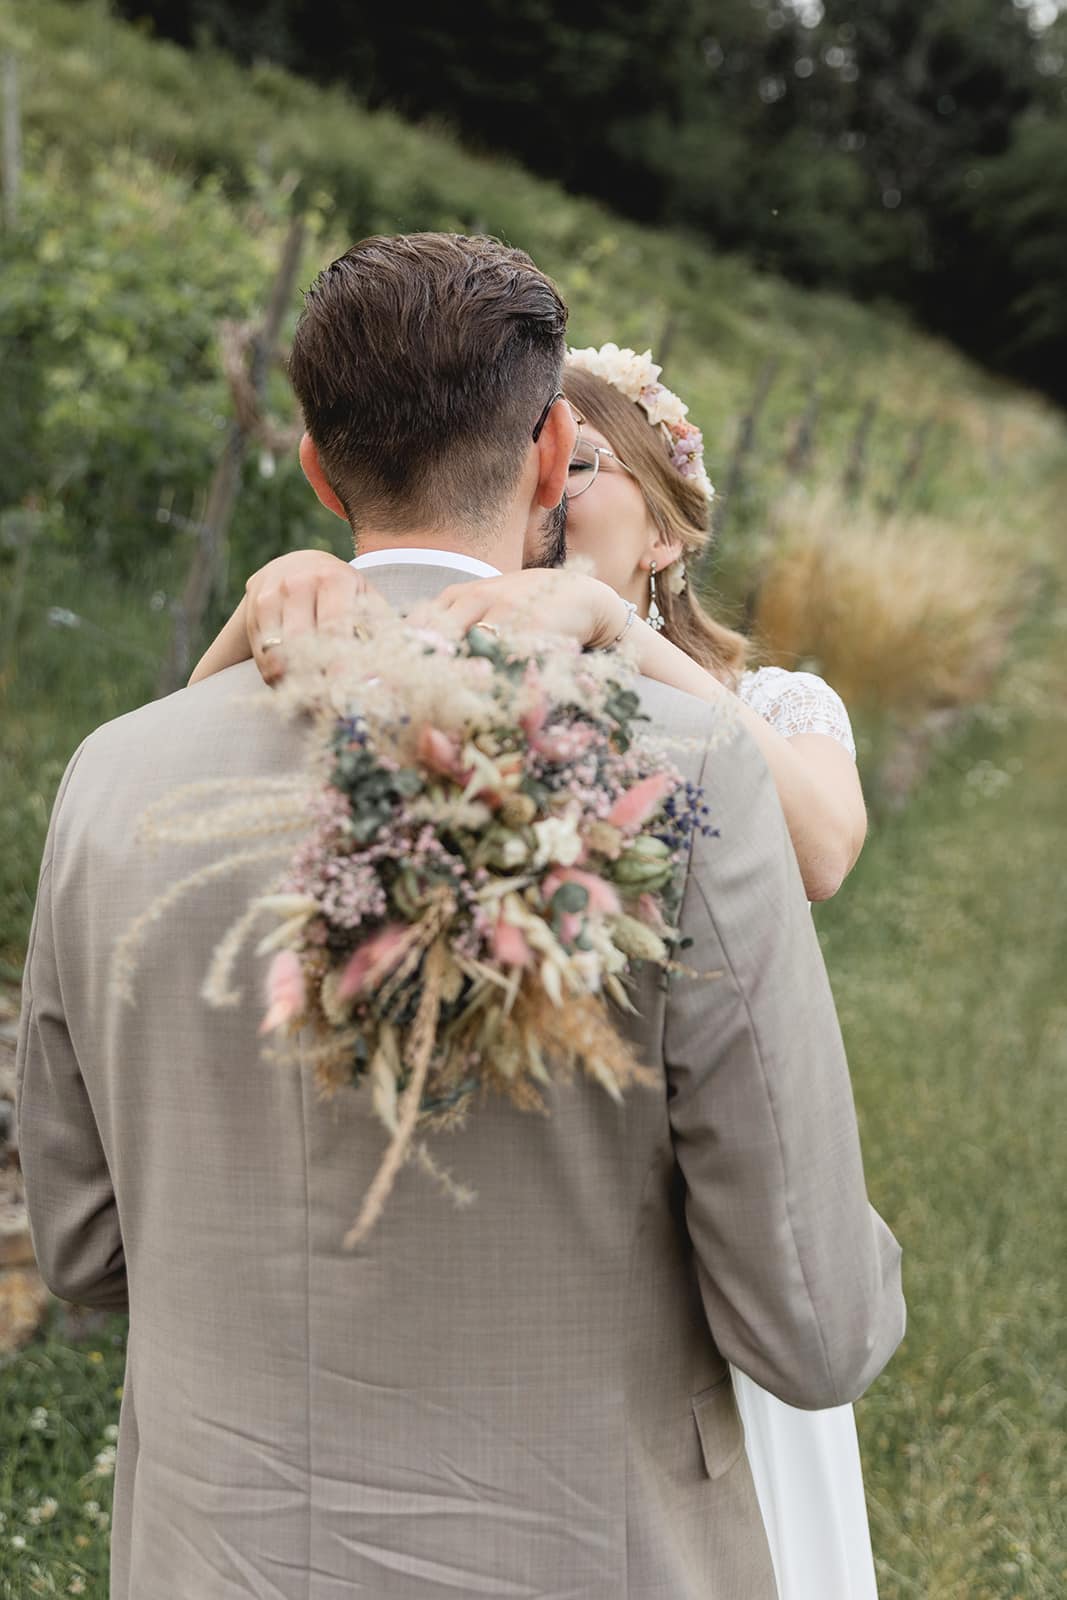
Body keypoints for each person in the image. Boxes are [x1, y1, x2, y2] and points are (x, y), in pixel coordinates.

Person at [17, 233, 904, 1600]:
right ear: (552, 455)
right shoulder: (685, 760)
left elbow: (80, 1249)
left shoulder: (111, 778)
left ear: (314, 465)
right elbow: (815, 1325)